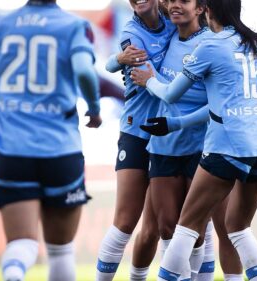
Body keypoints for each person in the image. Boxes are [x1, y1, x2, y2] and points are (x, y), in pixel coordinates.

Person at [131, 0, 257, 279]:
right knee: (238, 228)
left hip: (228, 145)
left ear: (207, 10)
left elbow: (171, 94)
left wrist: (150, 79)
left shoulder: (210, 46)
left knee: (185, 227)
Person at [0, 0, 101, 280]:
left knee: (22, 244)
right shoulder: (73, 25)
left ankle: (14, 274)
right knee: (61, 251)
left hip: (12, 148)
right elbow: (83, 70)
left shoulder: (1, 26)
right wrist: (93, 108)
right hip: (60, 149)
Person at [95, 0, 176, 280]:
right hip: (137, 132)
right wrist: (117, 60)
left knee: (162, 227)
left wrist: (115, 61)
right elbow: (149, 78)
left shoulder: (174, 20)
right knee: (126, 222)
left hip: (169, 133)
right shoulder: (132, 32)